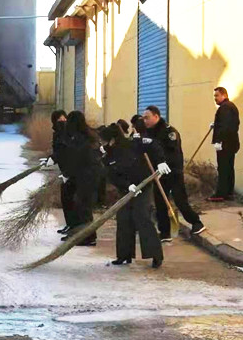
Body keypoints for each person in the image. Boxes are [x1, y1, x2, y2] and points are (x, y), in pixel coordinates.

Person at [100, 123, 171, 268]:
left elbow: (154, 145)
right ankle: (124, 255)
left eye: (104, 141)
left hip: (143, 185)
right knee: (123, 218)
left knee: (142, 216)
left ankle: (155, 255)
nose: (102, 144)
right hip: (127, 189)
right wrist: (127, 186)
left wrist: (161, 161)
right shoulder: (108, 156)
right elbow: (112, 176)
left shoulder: (134, 143)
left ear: (112, 139)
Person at [142, 106, 206, 240]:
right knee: (160, 202)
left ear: (156, 116)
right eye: (143, 118)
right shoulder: (148, 133)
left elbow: (173, 153)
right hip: (158, 174)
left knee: (180, 200)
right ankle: (165, 232)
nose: (145, 121)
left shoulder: (169, 131)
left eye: (147, 117)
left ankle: (196, 223)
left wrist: (163, 163)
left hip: (173, 172)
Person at [56, 111, 103, 246]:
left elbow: (76, 159)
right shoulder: (83, 136)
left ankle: (89, 237)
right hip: (84, 175)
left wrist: (67, 173)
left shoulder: (81, 139)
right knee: (78, 205)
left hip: (87, 176)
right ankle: (79, 234)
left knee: (84, 206)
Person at [209, 87, 240, 202]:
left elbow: (226, 126)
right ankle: (228, 193)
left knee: (223, 168)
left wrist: (219, 141)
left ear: (224, 95)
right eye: (214, 96)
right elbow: (229, 123)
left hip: (225, 144)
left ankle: (220, 194)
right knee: (229, 168)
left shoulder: (225, 108)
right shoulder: (230, 106)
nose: (215, 98)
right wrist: (215, 124)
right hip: (231, 143)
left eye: (217, 96)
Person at [49, 110, 72, 234]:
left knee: (71, 200)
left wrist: (54, 158)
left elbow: (65, 151)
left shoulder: (68, 134)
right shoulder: (57, 134)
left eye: (64, 120)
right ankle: (69, 224)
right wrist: (51, 158)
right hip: (64, 171)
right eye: (59, 120)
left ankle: (74, 227)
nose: (62, 122)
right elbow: (58, 150)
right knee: (65, 200)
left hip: (72, 171)